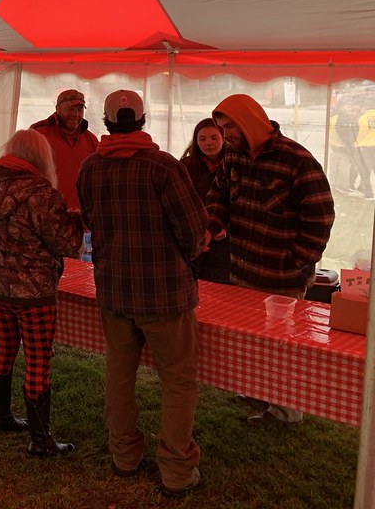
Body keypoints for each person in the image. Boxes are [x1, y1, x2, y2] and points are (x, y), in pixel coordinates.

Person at [76, 90, 207, 499]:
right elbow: (194, 231)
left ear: (107, 121)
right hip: (165, 295)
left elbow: (90, 221)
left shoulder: (90, 168)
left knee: (119, 372)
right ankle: (175, 471)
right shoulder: (164, 166)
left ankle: (124, 455)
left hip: (114, 289)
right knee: (178, 381)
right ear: (144, 120)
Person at [206, 94, 336, 426]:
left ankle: (287, 411)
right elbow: (218, 195)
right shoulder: (233, 156)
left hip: (283, 275)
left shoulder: (297, 159)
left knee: (284, 345)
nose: (225, 135)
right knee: (250, 338)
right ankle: (256, 391)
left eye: (229, 126)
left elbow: (320, 215)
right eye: (221, 128)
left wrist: (300, 260)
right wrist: (211, 226)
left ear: (250, 119)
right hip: (242, 268)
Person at [0, 129, 83, 456]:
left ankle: (1, 416)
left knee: (4, 347)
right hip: (32, 289)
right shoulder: (41, 193)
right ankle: (40, 439)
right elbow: (68, 244)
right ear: (40, 156)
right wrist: (76, 221)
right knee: (38, 359)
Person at [179, 118, 231, 283]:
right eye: (202, 139)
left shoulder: (234, 163)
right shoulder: (185, 166)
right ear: (195, 141)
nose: (209, 143)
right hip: (194, 235)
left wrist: (221, 226)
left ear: (223, 138)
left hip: (227, 240)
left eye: (214, 138)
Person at [30, 89, 99, 211]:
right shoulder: (40, 134)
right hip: (47, 213)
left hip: (81, 217)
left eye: (79, 110)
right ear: (57, 109)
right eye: (71, 109)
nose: (75, 115)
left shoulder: (91, 140)